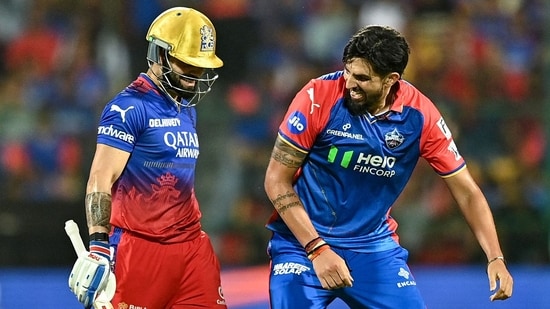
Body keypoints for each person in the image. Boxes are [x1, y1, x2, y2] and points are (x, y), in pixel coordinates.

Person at [263, 25, 513, 308]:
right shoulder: (317, 96)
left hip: (372, 248)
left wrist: (495, 257)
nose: (349, 84)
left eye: (362, 78)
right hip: (301, 244)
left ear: (391, 79)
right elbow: (275, 180)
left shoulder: (420, 117)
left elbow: (467, 191)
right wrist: (317, 249)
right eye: (347, 72)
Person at [68, 7, 227, 309]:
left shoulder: (185, 107)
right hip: (139, 250)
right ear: (160, 54)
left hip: (192, 248)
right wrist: (99, 245)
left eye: (200, 66)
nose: (195, 76)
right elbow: (100, 178)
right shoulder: (128, 108)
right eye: (186, 64)